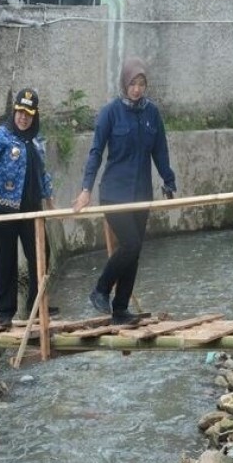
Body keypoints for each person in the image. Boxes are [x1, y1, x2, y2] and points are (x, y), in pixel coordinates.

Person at [73, 58, 177, 325]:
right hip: (114, 193)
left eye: (141, 84)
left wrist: (168, 181)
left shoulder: (152, 114)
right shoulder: (110, 113)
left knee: (135, 251)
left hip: (141, 194)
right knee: (130, 244)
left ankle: (120, 310)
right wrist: (86, 189)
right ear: (124, 84)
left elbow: (160, 151)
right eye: (132, 84)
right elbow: (96, 152)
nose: (137, 89)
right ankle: (100, 289)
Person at [0, 87, 57, 329]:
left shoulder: (37, 139)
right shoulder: (2, 135)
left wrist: (49, 196)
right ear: (14, 112)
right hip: (4, 206)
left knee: (41, 254)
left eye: (28, 114)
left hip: (31, 207)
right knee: (5, 257)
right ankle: (5, 312)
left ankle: (36, 305)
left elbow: (42, 171)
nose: (23, 118)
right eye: (20, 112)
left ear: (34, 115)